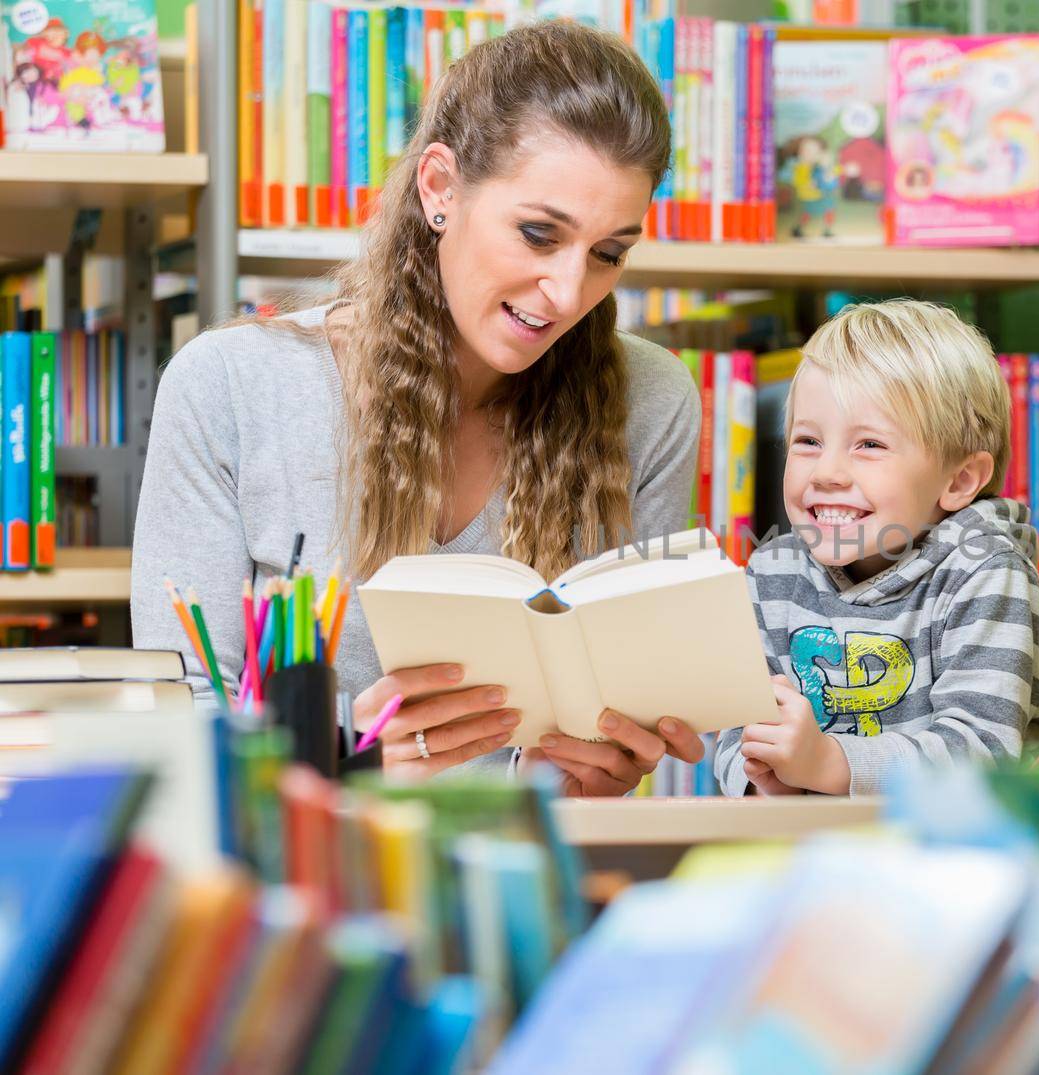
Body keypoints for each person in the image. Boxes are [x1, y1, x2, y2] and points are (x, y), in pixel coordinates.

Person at [132, 21, 706, 793]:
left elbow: (623, 718)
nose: (570, 294)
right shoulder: (230, 386)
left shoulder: (653, 401)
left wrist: (579, 771)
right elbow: (175, 723)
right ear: (440, 188)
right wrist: (341, 756)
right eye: (539, 234)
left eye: (609, 253)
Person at [715, 299, 1039, 796]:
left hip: (971, 853)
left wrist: (831, 764)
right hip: (820, 851)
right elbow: (733, 729)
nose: (827, 473)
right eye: (808, 441)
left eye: (869, 445)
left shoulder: (987, 573)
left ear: (960, 480)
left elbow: (980, 754)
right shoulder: (772, 573)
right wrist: (766, 775)